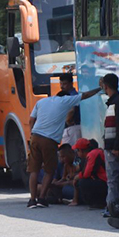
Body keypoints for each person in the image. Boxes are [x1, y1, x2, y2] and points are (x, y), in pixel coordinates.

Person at [27, 73, 98, 208]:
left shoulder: (41, 102)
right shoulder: (65, 100)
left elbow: (31, 120)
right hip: (49, 140)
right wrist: (99, 89)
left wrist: (32, 135)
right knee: (49, 170)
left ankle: (32, 200)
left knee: (34, 170)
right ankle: (42, 198)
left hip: (35, 136)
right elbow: (85, 96)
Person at [100, 74, 119, 217]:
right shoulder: (114, 102)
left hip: (114, 147)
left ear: (106, 86)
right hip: (111, 145)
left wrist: (117, 146)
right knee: (113, 176)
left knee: (113, 177)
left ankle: (112, 205)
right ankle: (112, 204)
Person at [73, 138, 107, 207]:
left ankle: (98, 202)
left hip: (105, 182)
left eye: (77, 150)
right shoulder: (91, 155)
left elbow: (86, 173)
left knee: (82, 182)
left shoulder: (93, 154)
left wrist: (77, 177)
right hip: (103, 181)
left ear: (81, 150)